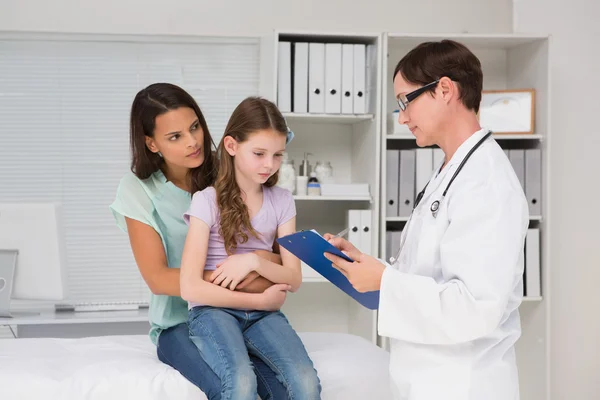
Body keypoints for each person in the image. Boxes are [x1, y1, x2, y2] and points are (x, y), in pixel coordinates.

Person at [323, 40, 530, 400]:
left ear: (445, 89)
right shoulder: (450, 173)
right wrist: (367, 270)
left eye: (406, 100)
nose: (402, 117)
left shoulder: (486, 183)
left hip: (464, 384)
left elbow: (474, 307)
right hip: (425, 379)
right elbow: (429, 273)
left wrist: (386, 281)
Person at [109, 83, 291, 400]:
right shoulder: (137, 190)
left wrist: (252, 264)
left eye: (195, 127)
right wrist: (231, 280)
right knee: (233, 386)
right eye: (175, 136)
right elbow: (158, 278)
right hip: (179, 322)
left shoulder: (230, 169)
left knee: (285, 389)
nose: (194, 142)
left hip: (244, 316)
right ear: (151, 144)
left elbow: (280, 259)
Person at [180, 96, 322, 400]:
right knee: (241, 380)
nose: (269, 165)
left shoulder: (282, 200)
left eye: (278, 155)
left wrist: (254, 262)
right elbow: (190, 287)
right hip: (214, 311)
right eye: (259, 153)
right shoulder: (206, 201)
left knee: (306, 382)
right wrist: (258, 301)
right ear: (232, 146)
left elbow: (293, 278)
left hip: (264, 315)